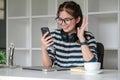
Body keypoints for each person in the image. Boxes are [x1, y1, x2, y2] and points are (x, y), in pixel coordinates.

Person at [41, 1, 97, 68]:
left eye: (67, 20)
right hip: (59, 77)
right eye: (60, 19)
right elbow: (48, 66)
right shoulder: (54, 36)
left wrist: (82, 39)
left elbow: (92, 64)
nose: (63, 23)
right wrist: (43, 48)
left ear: (77, 20)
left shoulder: (88, 36)